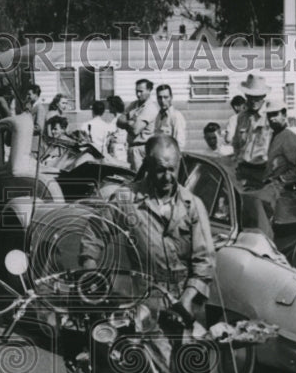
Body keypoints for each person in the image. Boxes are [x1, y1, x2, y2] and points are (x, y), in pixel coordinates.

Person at [80, 134, 215, 323]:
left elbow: (205, 261)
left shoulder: (193, 205)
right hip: (145, 299)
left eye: (172, 170)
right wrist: (90, 270)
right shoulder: (127, 198)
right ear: (148, 166)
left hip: (187, 301)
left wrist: (186, 299)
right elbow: (94, 233)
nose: (167, 177)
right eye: (160, 170)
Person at [231, 74, 271, 183]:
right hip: (243, 170)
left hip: (262, 170)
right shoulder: (242, 117)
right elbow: (236, 143)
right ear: (246, 95)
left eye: (257, 97)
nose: (253, 100)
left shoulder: (270, 116)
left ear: (263, 96)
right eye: (250, 96)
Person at [121, 79, 160, 172]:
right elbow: (119, 121)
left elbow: (135, 130)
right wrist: (130, 123)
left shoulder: (150, 107)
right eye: (136, 91)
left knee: (139, 179)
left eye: (141, 91)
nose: (138, 94)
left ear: (149, 90)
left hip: (142, 148)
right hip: (132, 148)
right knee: (131, 178)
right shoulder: (133, 104)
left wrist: (127, 122)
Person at [264, 98, 296, 187]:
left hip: (283, 192)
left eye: (275, 114)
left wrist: (279, 181)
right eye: (269, 115)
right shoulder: (274, 135)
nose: (272, 119)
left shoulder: (289, 137)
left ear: (284, 114)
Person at [153, 84, 187, 150]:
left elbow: (180, 143)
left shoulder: (176, 116)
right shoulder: (158, 116)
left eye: (166, 97)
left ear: (171, 97)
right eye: (160, 97)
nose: (162, 101)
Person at [105, 95, 128, 163]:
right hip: (117, 147)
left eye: (109, 105)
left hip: (118, 148)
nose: (108, 107)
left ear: (114, 106)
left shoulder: (119, 119)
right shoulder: (119, 118)